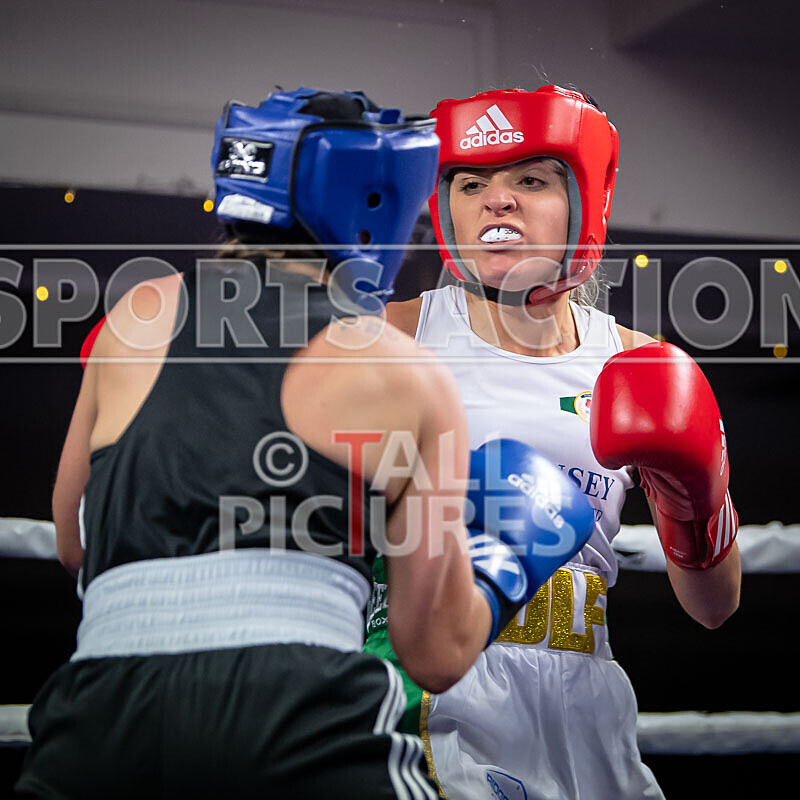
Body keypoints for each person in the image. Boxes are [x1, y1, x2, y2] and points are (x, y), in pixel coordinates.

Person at [15, 87, 596, 799]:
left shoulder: (139, 312)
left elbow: (73, 540)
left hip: (98, 715)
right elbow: (435, 653)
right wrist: (502, 561)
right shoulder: (401, 369)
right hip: (297, 714)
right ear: (376, 201)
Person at [364, 85, 742, 799]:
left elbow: (714, 605)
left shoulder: (641, 365)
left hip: (588, 700)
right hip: (432, 691)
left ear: (585, 199)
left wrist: (695, 492)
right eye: (471, 182)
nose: (496, 201)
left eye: (530, 179)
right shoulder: (392, 335)